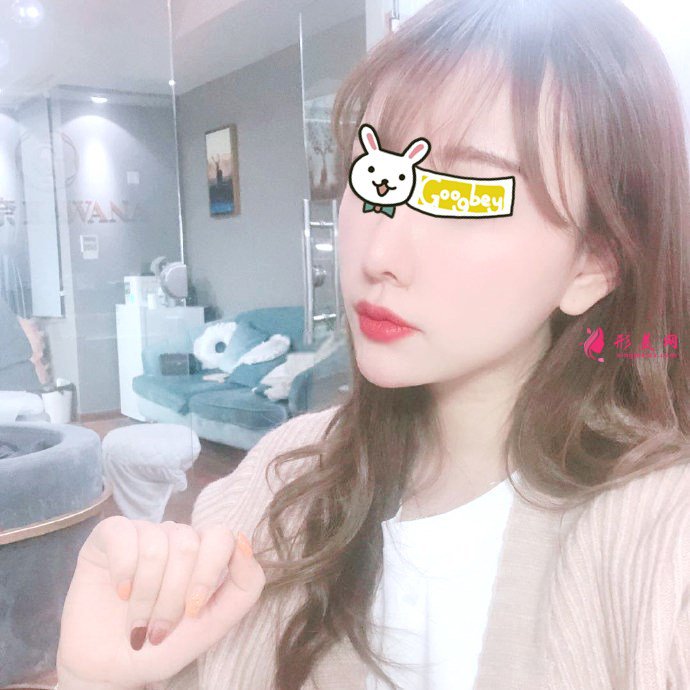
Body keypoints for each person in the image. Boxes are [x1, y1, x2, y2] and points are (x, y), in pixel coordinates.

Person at [56, 0, 690, 688]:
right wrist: (95, 678)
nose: (379, 252)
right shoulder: (274, 487)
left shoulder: (661, 544)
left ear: (593, 263)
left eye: (462, 195)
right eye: (375, 174)